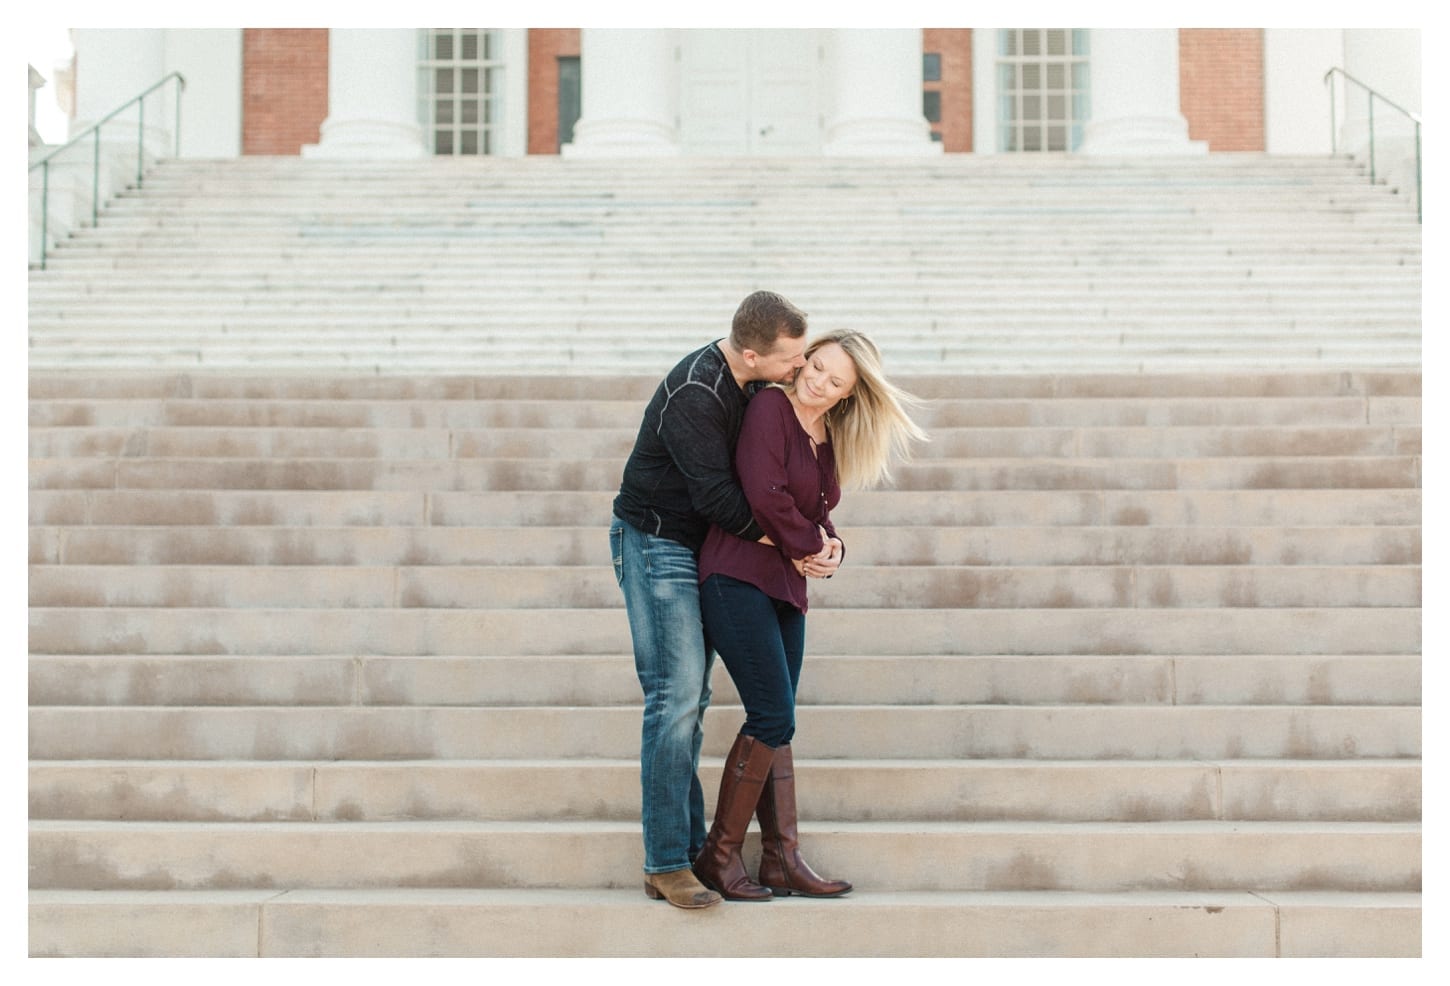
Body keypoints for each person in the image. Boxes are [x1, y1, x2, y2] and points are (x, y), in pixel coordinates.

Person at [609, 290, 842, 909]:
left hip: (699, 545)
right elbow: (721, 499)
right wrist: (797, 545)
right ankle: (666, 862)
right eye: (793, 359)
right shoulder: (698, 392)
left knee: (695, 696)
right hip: (657, 540)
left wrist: (819, 539)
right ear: (750, 353)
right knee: (677, 694)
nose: (800, 368)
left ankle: (698, 851)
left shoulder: (754, 387)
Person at [692, 329, 927, 901]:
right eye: (817, 366)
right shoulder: (771, 406)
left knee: (780, 721)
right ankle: (717, 857)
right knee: (772, 715)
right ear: (805, 360)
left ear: (850, 394)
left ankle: (780, 858)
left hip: (786, 588)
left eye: (835, 380)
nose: (818, 381)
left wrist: (833, 544)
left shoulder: (826, 434)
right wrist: (809, 545)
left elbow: (812, 510)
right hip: (736, 577)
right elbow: (764, 495)